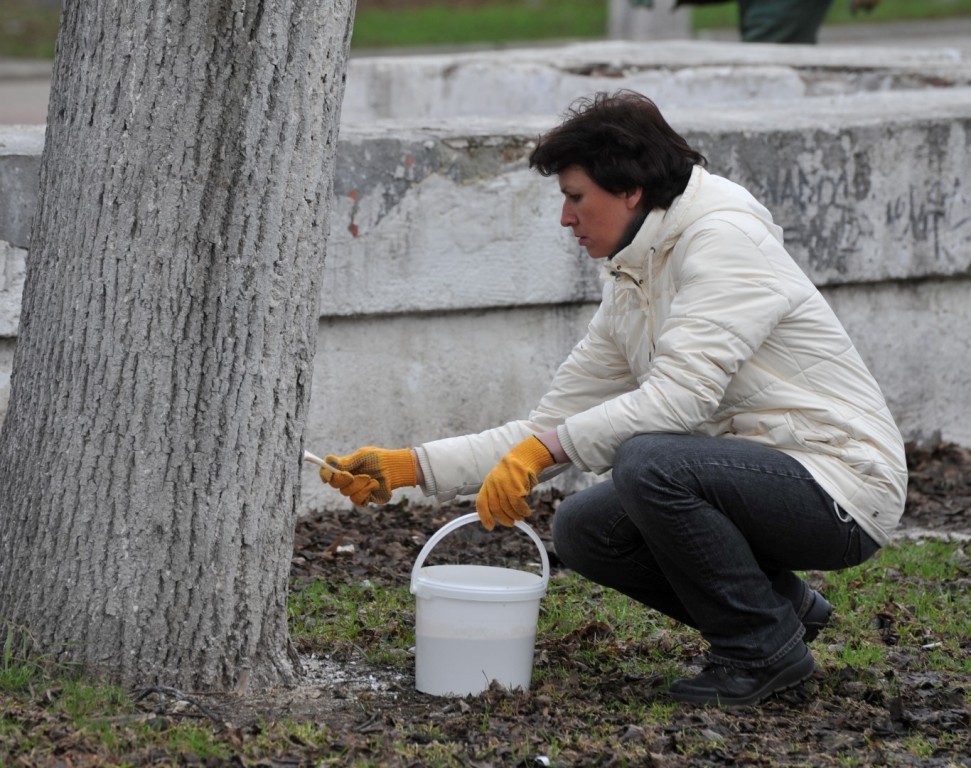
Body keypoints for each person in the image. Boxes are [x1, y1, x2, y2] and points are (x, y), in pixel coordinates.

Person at [317, 90, 907, 707]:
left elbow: (678, 401)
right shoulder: (636, 274)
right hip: (759, 477)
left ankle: (761, 650)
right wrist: (411, 466)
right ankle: (782, 608)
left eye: (575, 197)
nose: (566, 219)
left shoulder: (725, 241)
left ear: (630, 191)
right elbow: (551, 423)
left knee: (650, 462)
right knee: (584, 527)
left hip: (842, 485)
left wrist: (545, 450)